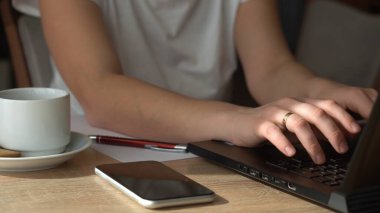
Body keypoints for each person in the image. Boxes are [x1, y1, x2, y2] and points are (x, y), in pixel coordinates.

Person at [38, 0, 377, 165]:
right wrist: (237, 119)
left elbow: (271, 69)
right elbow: (100, 93)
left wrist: (323, 93)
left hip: (209, 149)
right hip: (85, 156)